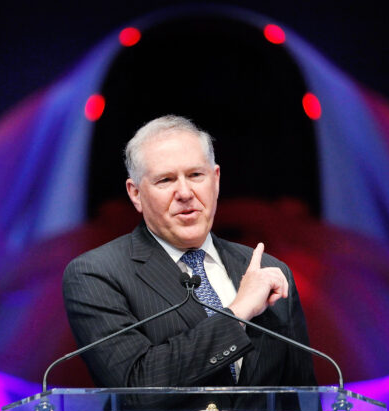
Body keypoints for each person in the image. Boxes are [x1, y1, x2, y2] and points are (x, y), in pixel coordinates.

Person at [63, 115, 317, 388]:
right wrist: (239, 310)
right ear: (135, 194)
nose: (185, 192)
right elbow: (136, 384)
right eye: (165, 180)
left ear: (216, 179)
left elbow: (301, 399)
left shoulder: (269, 271)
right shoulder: (96, 274)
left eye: (196, 175)